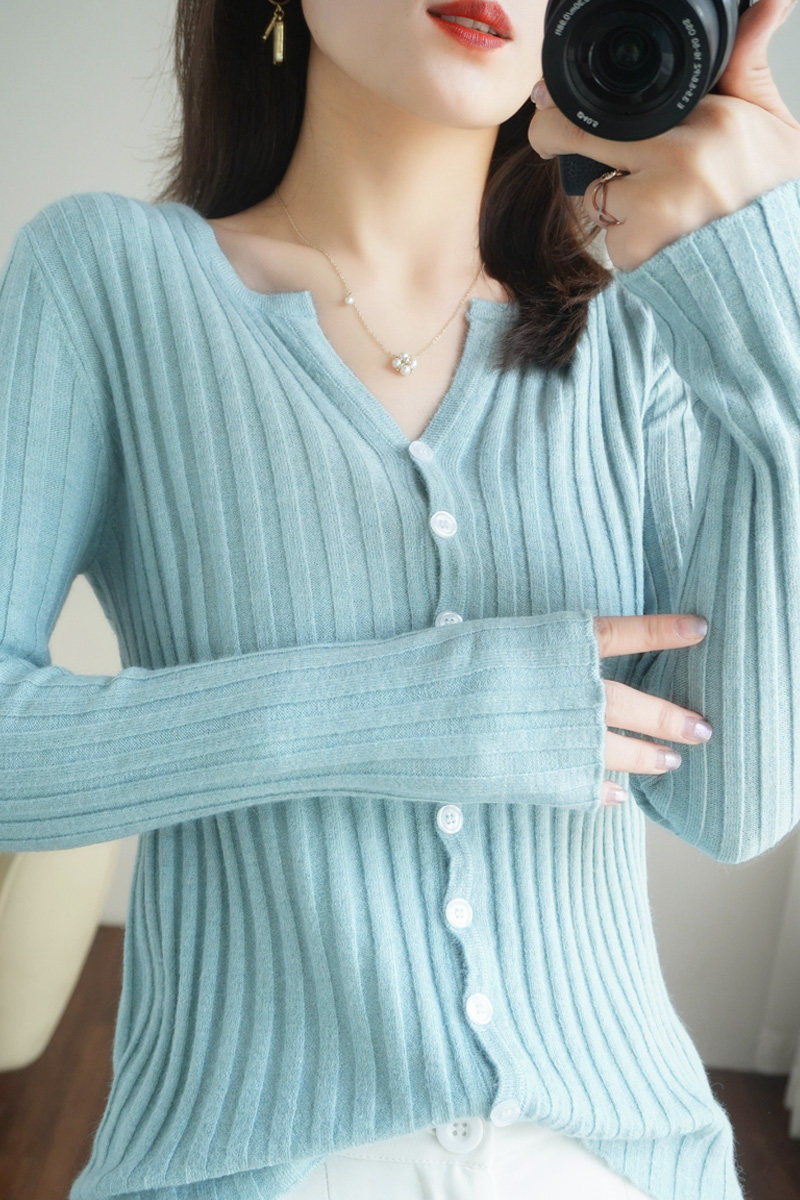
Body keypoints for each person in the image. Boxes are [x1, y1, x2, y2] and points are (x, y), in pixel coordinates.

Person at [2, 1, 800, 1198]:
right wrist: (423, 710)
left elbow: (729, 803)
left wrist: (768, 336)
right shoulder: (106, 278)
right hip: (250, 1161)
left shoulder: (629, 328)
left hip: (624, 1163)